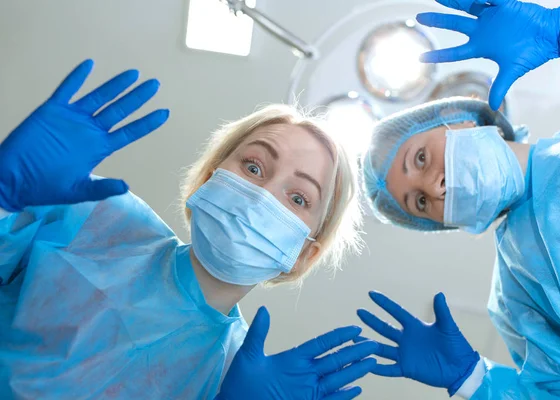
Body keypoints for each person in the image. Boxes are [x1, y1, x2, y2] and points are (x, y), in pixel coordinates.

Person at [0, 60, 377, 399]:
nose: (262, 196)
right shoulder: (93, 215)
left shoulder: (237, 378)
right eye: (254, 167)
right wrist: (2, 194)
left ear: (306, 253)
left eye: (298, 199)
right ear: (209, 179)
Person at [358, 0, 560, 398]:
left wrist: (558, 29)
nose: (433, 187)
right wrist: (472, 381)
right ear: (447, 224)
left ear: (458, 118)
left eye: (419, 158)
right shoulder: (519, 303)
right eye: (420, 203)